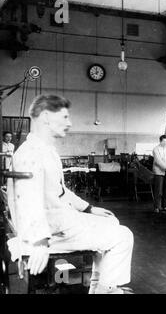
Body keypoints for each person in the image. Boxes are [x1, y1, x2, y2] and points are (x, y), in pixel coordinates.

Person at [9, 94, 134, 294]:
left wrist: (90, 208)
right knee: (123, 236)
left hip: (59, 224)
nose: (70, 123)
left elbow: (61, 191)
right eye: (65, 117)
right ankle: (107, 290)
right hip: (52, 233)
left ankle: (99, 288)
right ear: (47, 117)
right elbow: (26, 198)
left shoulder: (46, 150)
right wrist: (39, 242)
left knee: (111, 222)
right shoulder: (31, 153)